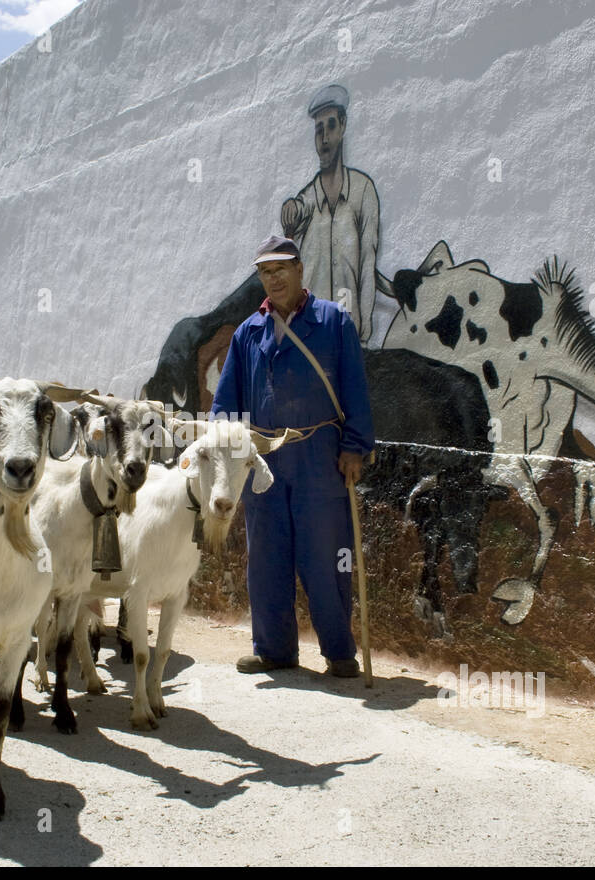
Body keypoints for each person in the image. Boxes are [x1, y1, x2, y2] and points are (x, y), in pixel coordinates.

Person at [210, 235, 375, 677]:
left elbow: (355, 389)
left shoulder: (333, 322)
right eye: (265, 272)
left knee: (327, 556)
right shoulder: (249, 332)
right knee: (266, 556)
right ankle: (274, 650)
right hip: (263, 462)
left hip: (319, 459)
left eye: (281, 268)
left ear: (300, 269)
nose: (273, 278)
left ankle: (339, 653)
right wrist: (227, 444)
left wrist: (355, 446)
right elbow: (225, 404)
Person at [280, 83, 381, 345]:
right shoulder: (308, 200)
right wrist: (289, 210)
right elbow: (295, 210)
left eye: (331, 126)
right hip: (309, 334)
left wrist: (364, 333)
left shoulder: (362, 192)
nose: (324, 138)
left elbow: (367, 264)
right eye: (318, 130)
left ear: (344, 125)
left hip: (349, 335)